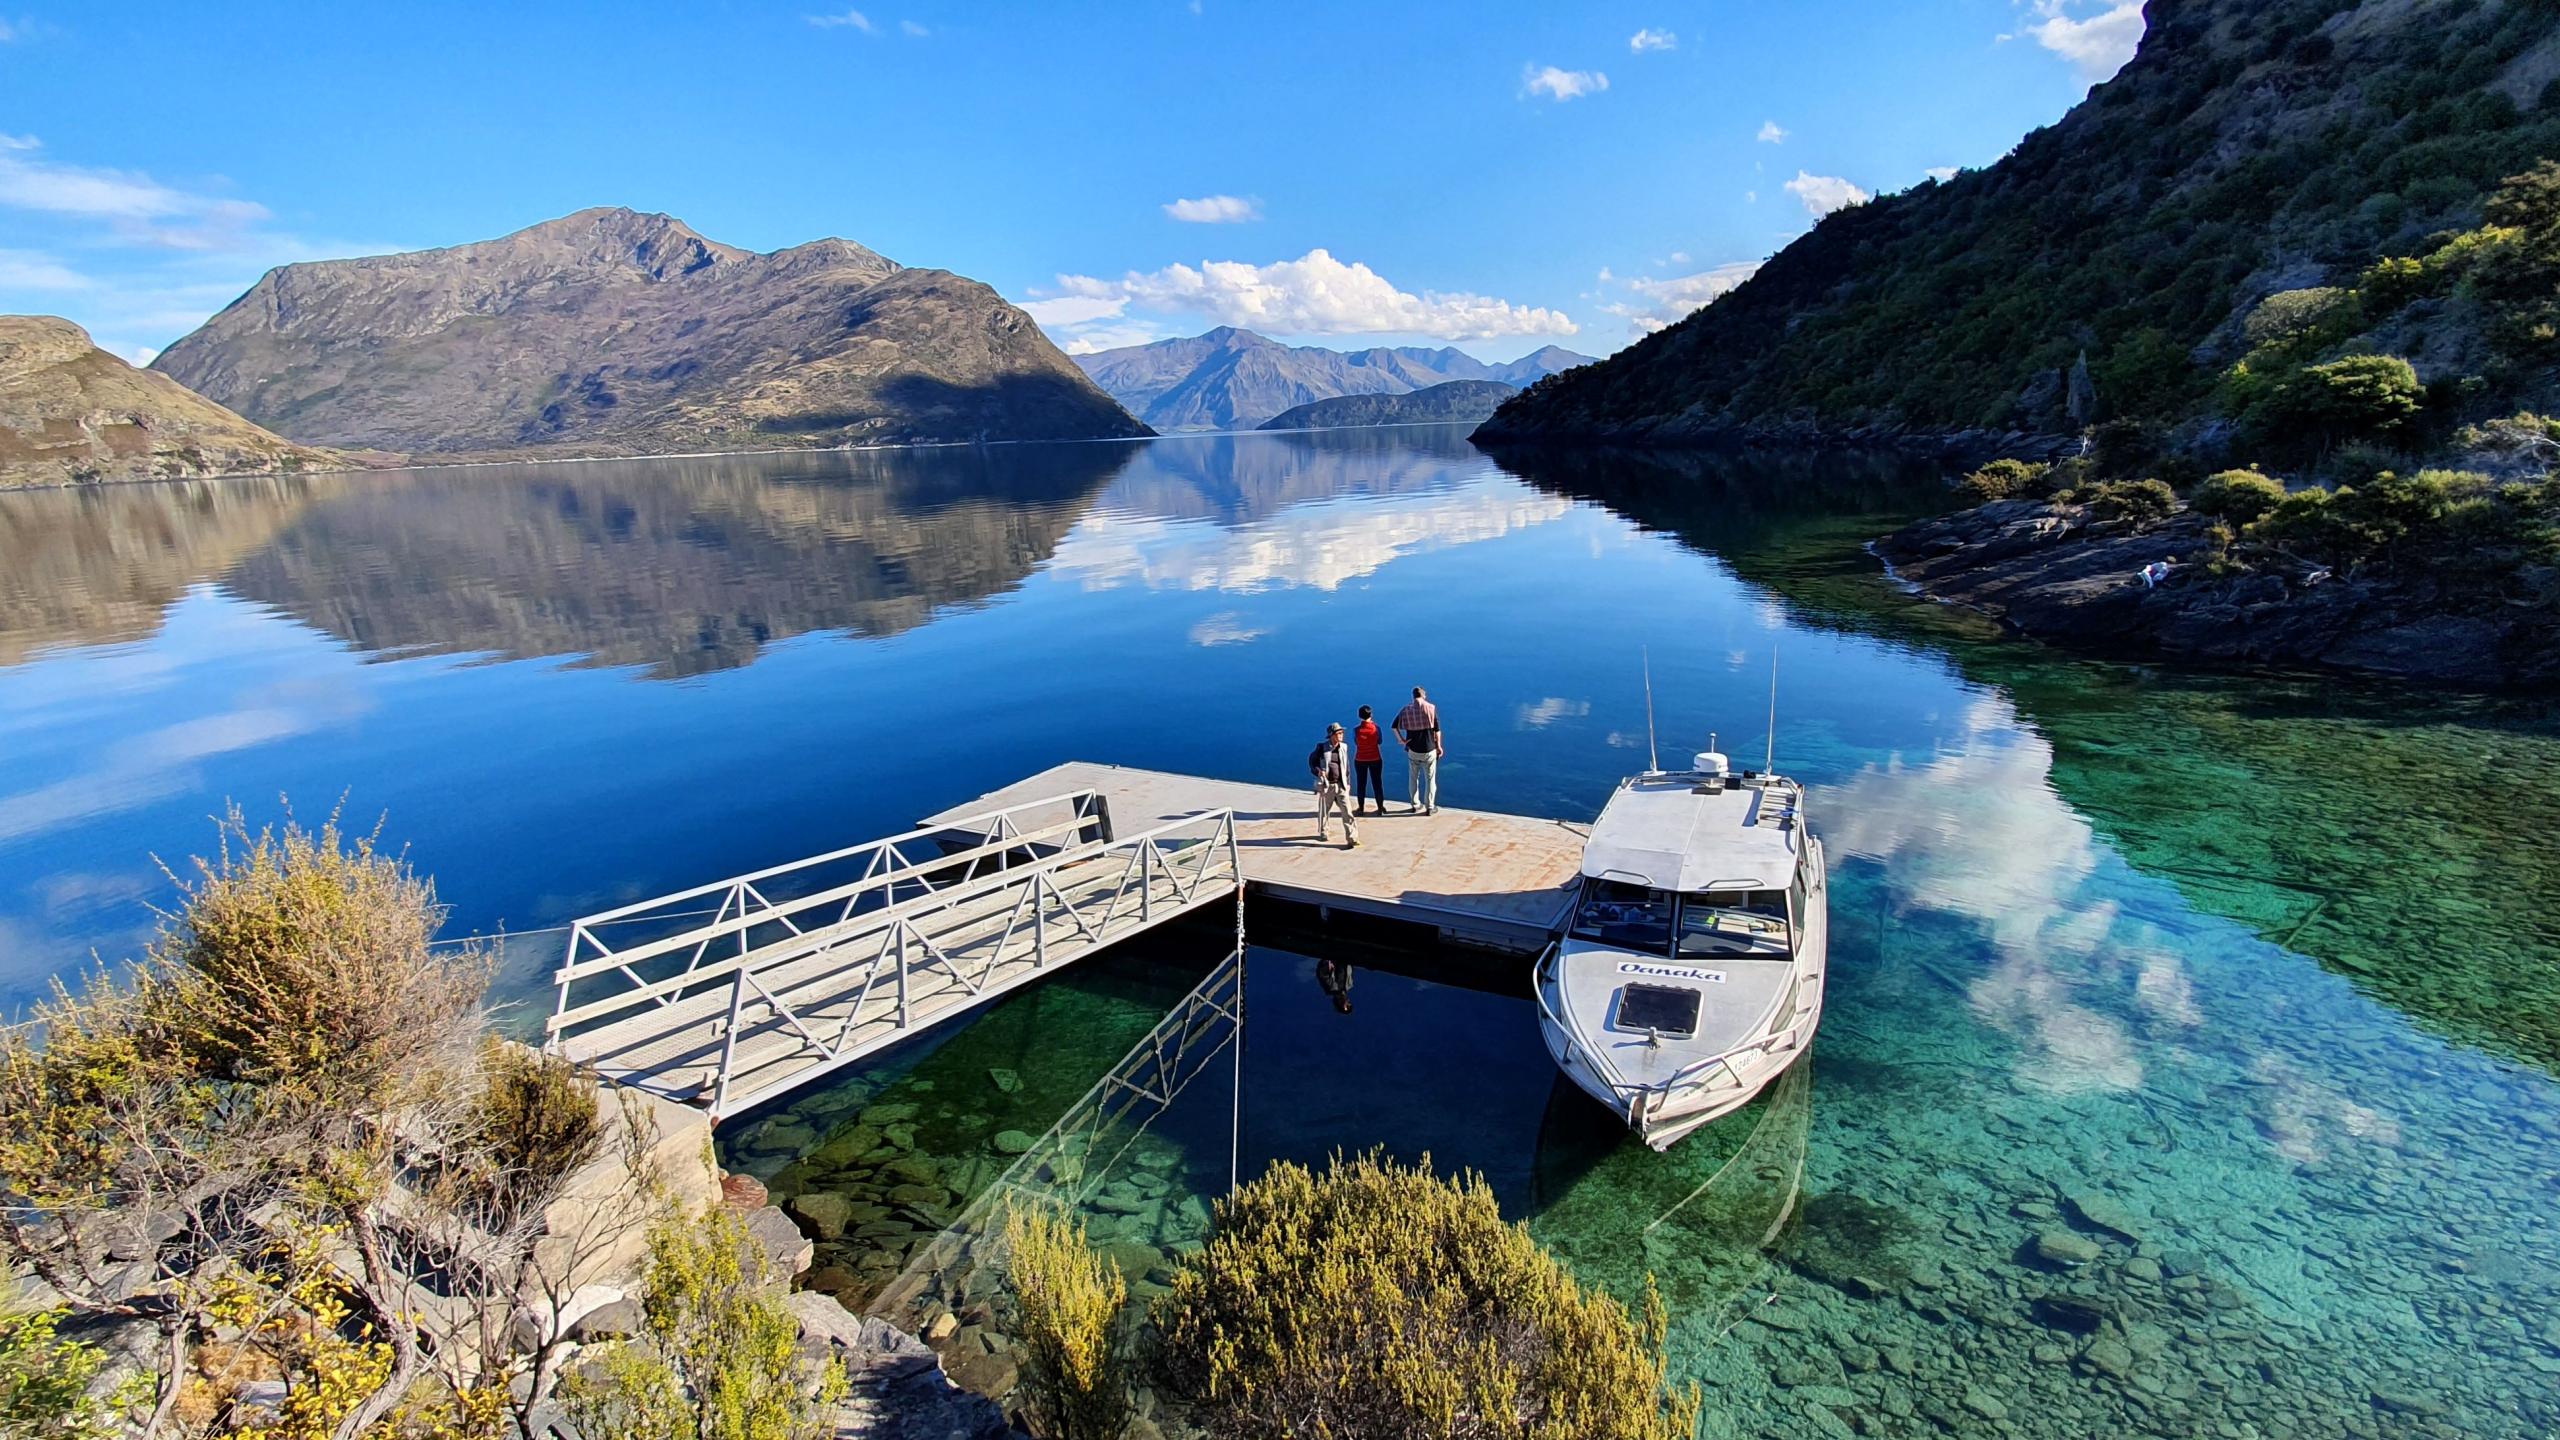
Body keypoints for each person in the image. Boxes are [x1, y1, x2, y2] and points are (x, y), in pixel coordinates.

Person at [1392, 685, 1444, 815]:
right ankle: (1430, 807)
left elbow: (1394, 726)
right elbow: (1437, 730)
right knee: (1430, 779)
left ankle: (1415, 804)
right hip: (1429, 748)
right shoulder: (1431, 708)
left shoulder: (1406, 710)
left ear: (1413, 696)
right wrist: (1439, 746)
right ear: (1424, 695)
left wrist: (1401, 740)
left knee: (1413, 778)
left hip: (1413, 749)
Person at [1308, 722, 1359, 847]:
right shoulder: (1322, 748)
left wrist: (1347, 783)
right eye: (1339, 733)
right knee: (1324, 811)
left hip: (1341, 785)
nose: (1341, 735)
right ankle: (1324, 831)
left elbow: (1346, 766)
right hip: (1328, 786)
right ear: (1332, 735)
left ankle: (1352, 838)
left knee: (1347, 812)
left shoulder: (1343, 747)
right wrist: (1318, 771)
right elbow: (1312, 762)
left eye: (1342, 733)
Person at [1351, 704, 1385, 816]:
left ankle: (1361, 808)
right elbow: (1380, 741)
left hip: (1360, 759)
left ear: (1359, 716)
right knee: (1377, 783)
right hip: (1375, 758)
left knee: (1361, 784)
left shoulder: (1356, 730)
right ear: (1371, 714)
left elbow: (1356, 742)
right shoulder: (1376, 728)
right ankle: (1380, 808)